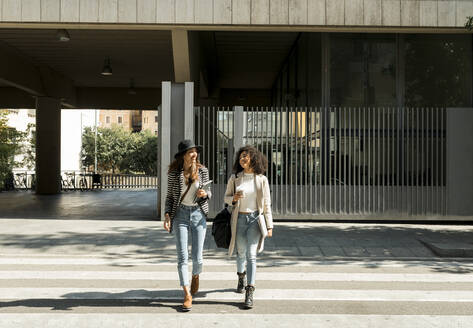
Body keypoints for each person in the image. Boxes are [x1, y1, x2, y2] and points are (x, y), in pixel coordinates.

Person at [163, 139, 211, 311]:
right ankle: (187, 294)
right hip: (180, 215)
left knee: (197, 257)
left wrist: (205, 194)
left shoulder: (202, 170)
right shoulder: (174, 174)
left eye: (195, 151)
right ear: (183, 155)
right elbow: (169, 197)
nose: (194, 154)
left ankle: (196, 275)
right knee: (182, 257)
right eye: (191, 152)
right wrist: (167, 215)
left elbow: (208, 193)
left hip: (198, 215)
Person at [224, 145, 273, 309]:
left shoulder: (261, 179)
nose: (242, 159)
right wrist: (234, 198)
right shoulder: (235, 178)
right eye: (240, 157)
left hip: (255, 220)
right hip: (239, 219)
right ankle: (240, 276)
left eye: (245, 155)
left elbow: (267, 204)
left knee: (252, 255)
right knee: (241, 253)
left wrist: (269, 225)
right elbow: (226, 198)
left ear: (253, 158)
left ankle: (250, 290)